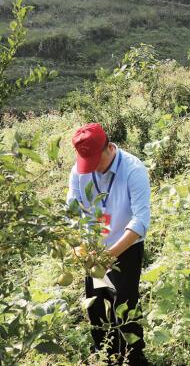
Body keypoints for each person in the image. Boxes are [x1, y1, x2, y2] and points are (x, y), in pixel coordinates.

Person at [67, 123, 150, 365]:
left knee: (124, 303)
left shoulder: (133, 170)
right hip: (93, 248)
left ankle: (133, 356)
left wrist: (110, 255)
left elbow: (140, 220)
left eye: (94, 160)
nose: (90, 168)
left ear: (108, 148)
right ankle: (104, 353)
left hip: (125, 247)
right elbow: (73, 211)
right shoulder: (79, 171)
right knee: (95, 303)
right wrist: (81, 246)